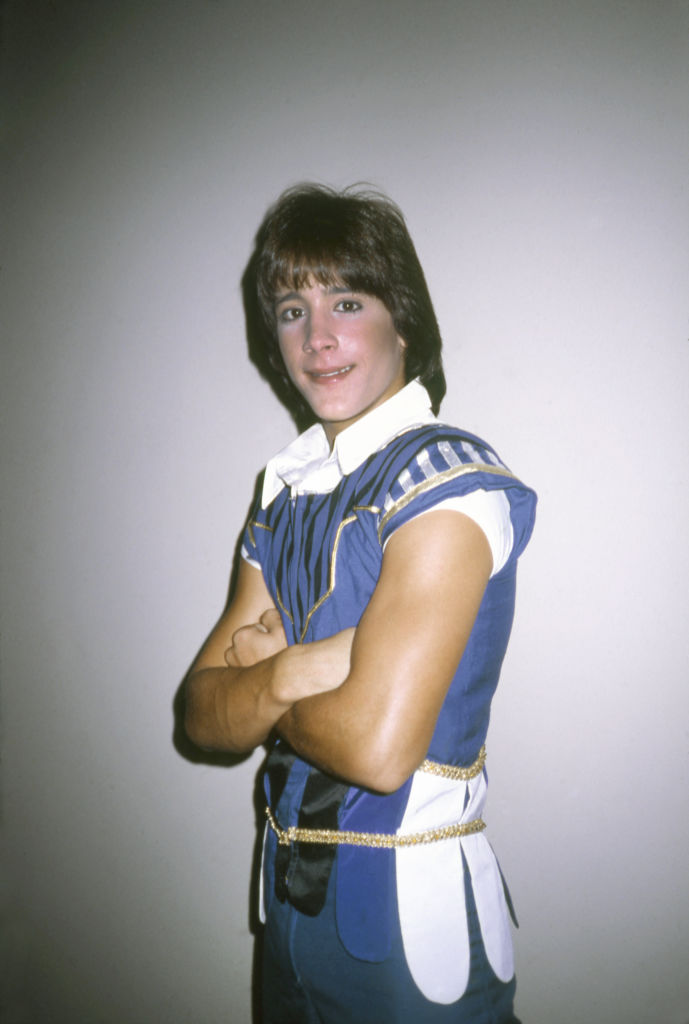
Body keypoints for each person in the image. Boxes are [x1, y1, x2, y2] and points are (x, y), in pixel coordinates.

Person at [185, 184, 537, 1023]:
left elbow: (379, 750)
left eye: (346, 301)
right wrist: (294, 673)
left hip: (413, 930)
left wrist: (259, 684)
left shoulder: (446, 481)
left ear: (401, 320)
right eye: (290, 310)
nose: (317, 337)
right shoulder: (283, 493)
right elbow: (200, 713)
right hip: (285, 914)